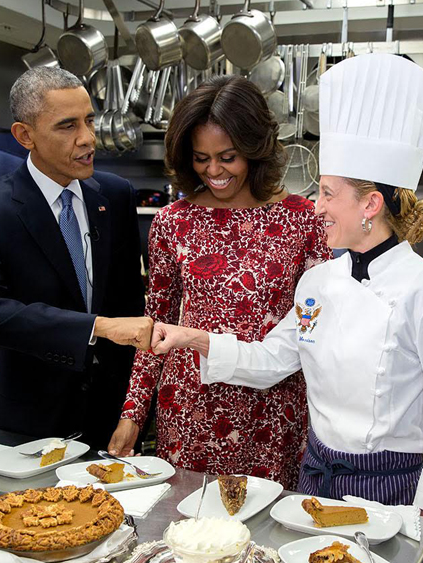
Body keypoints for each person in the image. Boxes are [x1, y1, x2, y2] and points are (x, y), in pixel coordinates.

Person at [151, 54, 423, 512]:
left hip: (393, 490)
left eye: (327, 193)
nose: (316, 207)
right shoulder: (317, 283)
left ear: (369, 205)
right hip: (314, 478)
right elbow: (272, 359)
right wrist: (195, 339)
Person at [106, 76, 330, 488]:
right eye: (200, 158)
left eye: (228, 157)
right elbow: (153, 324)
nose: (213, 171)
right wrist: (133, 414)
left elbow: (316, 328)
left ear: (255, 149)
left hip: (273, 408)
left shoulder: (304, 220)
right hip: (190, 407)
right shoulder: (173, 222)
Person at [0, 67, 152, 448]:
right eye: (67, 126)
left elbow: (130, 301)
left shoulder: (115, 195)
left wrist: (135, 409)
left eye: (90, 120)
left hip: (109, 414)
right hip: (29, 420)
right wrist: (97, 327)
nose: (88, 138)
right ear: (25, 135)